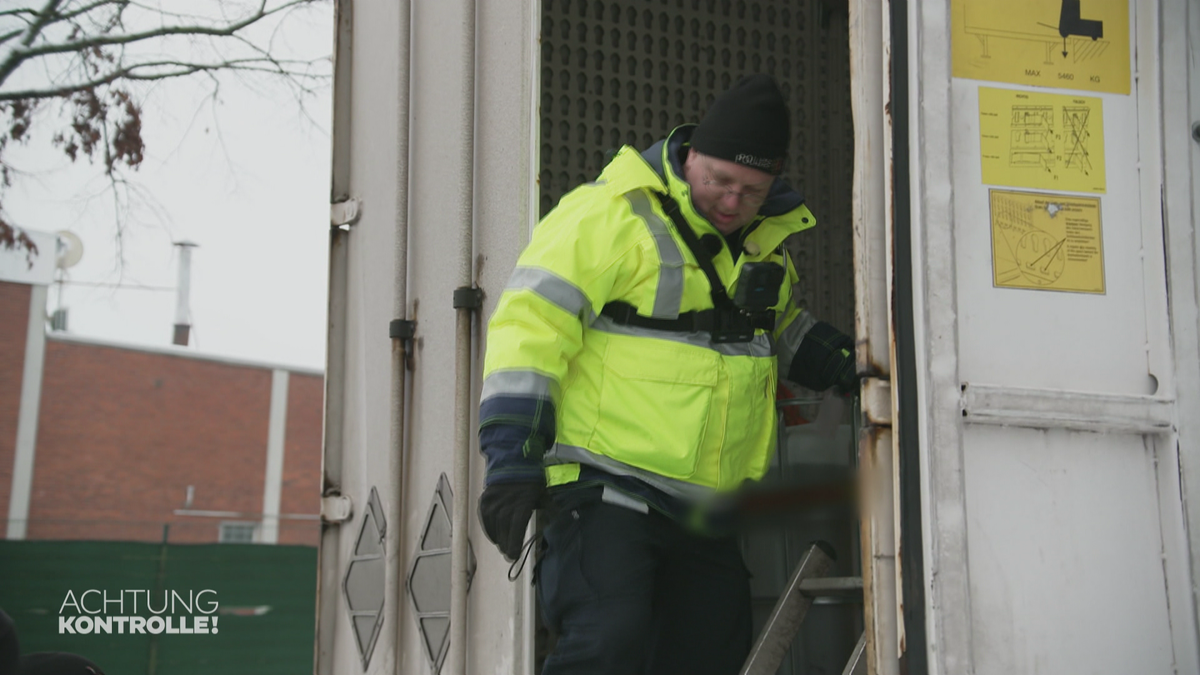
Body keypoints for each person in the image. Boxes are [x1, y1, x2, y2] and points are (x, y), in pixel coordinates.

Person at [477, 73, 856, 674]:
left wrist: (851, 364)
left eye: (753, 191)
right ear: (691, 154)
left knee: (708, 658)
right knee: (608, 641)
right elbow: (530, 329)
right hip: (607, 485)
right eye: (720, 181)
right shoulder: (607, 216)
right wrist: (512, 454)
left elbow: (781, 332)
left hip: (704, 507)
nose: (732, 202)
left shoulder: (764, 246)